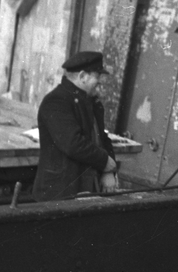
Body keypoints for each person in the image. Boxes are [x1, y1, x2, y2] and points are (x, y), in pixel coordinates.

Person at [32, 50, 118, 201]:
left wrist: (108, 171)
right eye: (97, 76)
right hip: (60, 193)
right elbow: (73, 143)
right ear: (82, 76)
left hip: (86, 189)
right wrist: (105, 162)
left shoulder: (91, 102)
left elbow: (102, 138)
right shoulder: (56, 101)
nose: (100, 82)